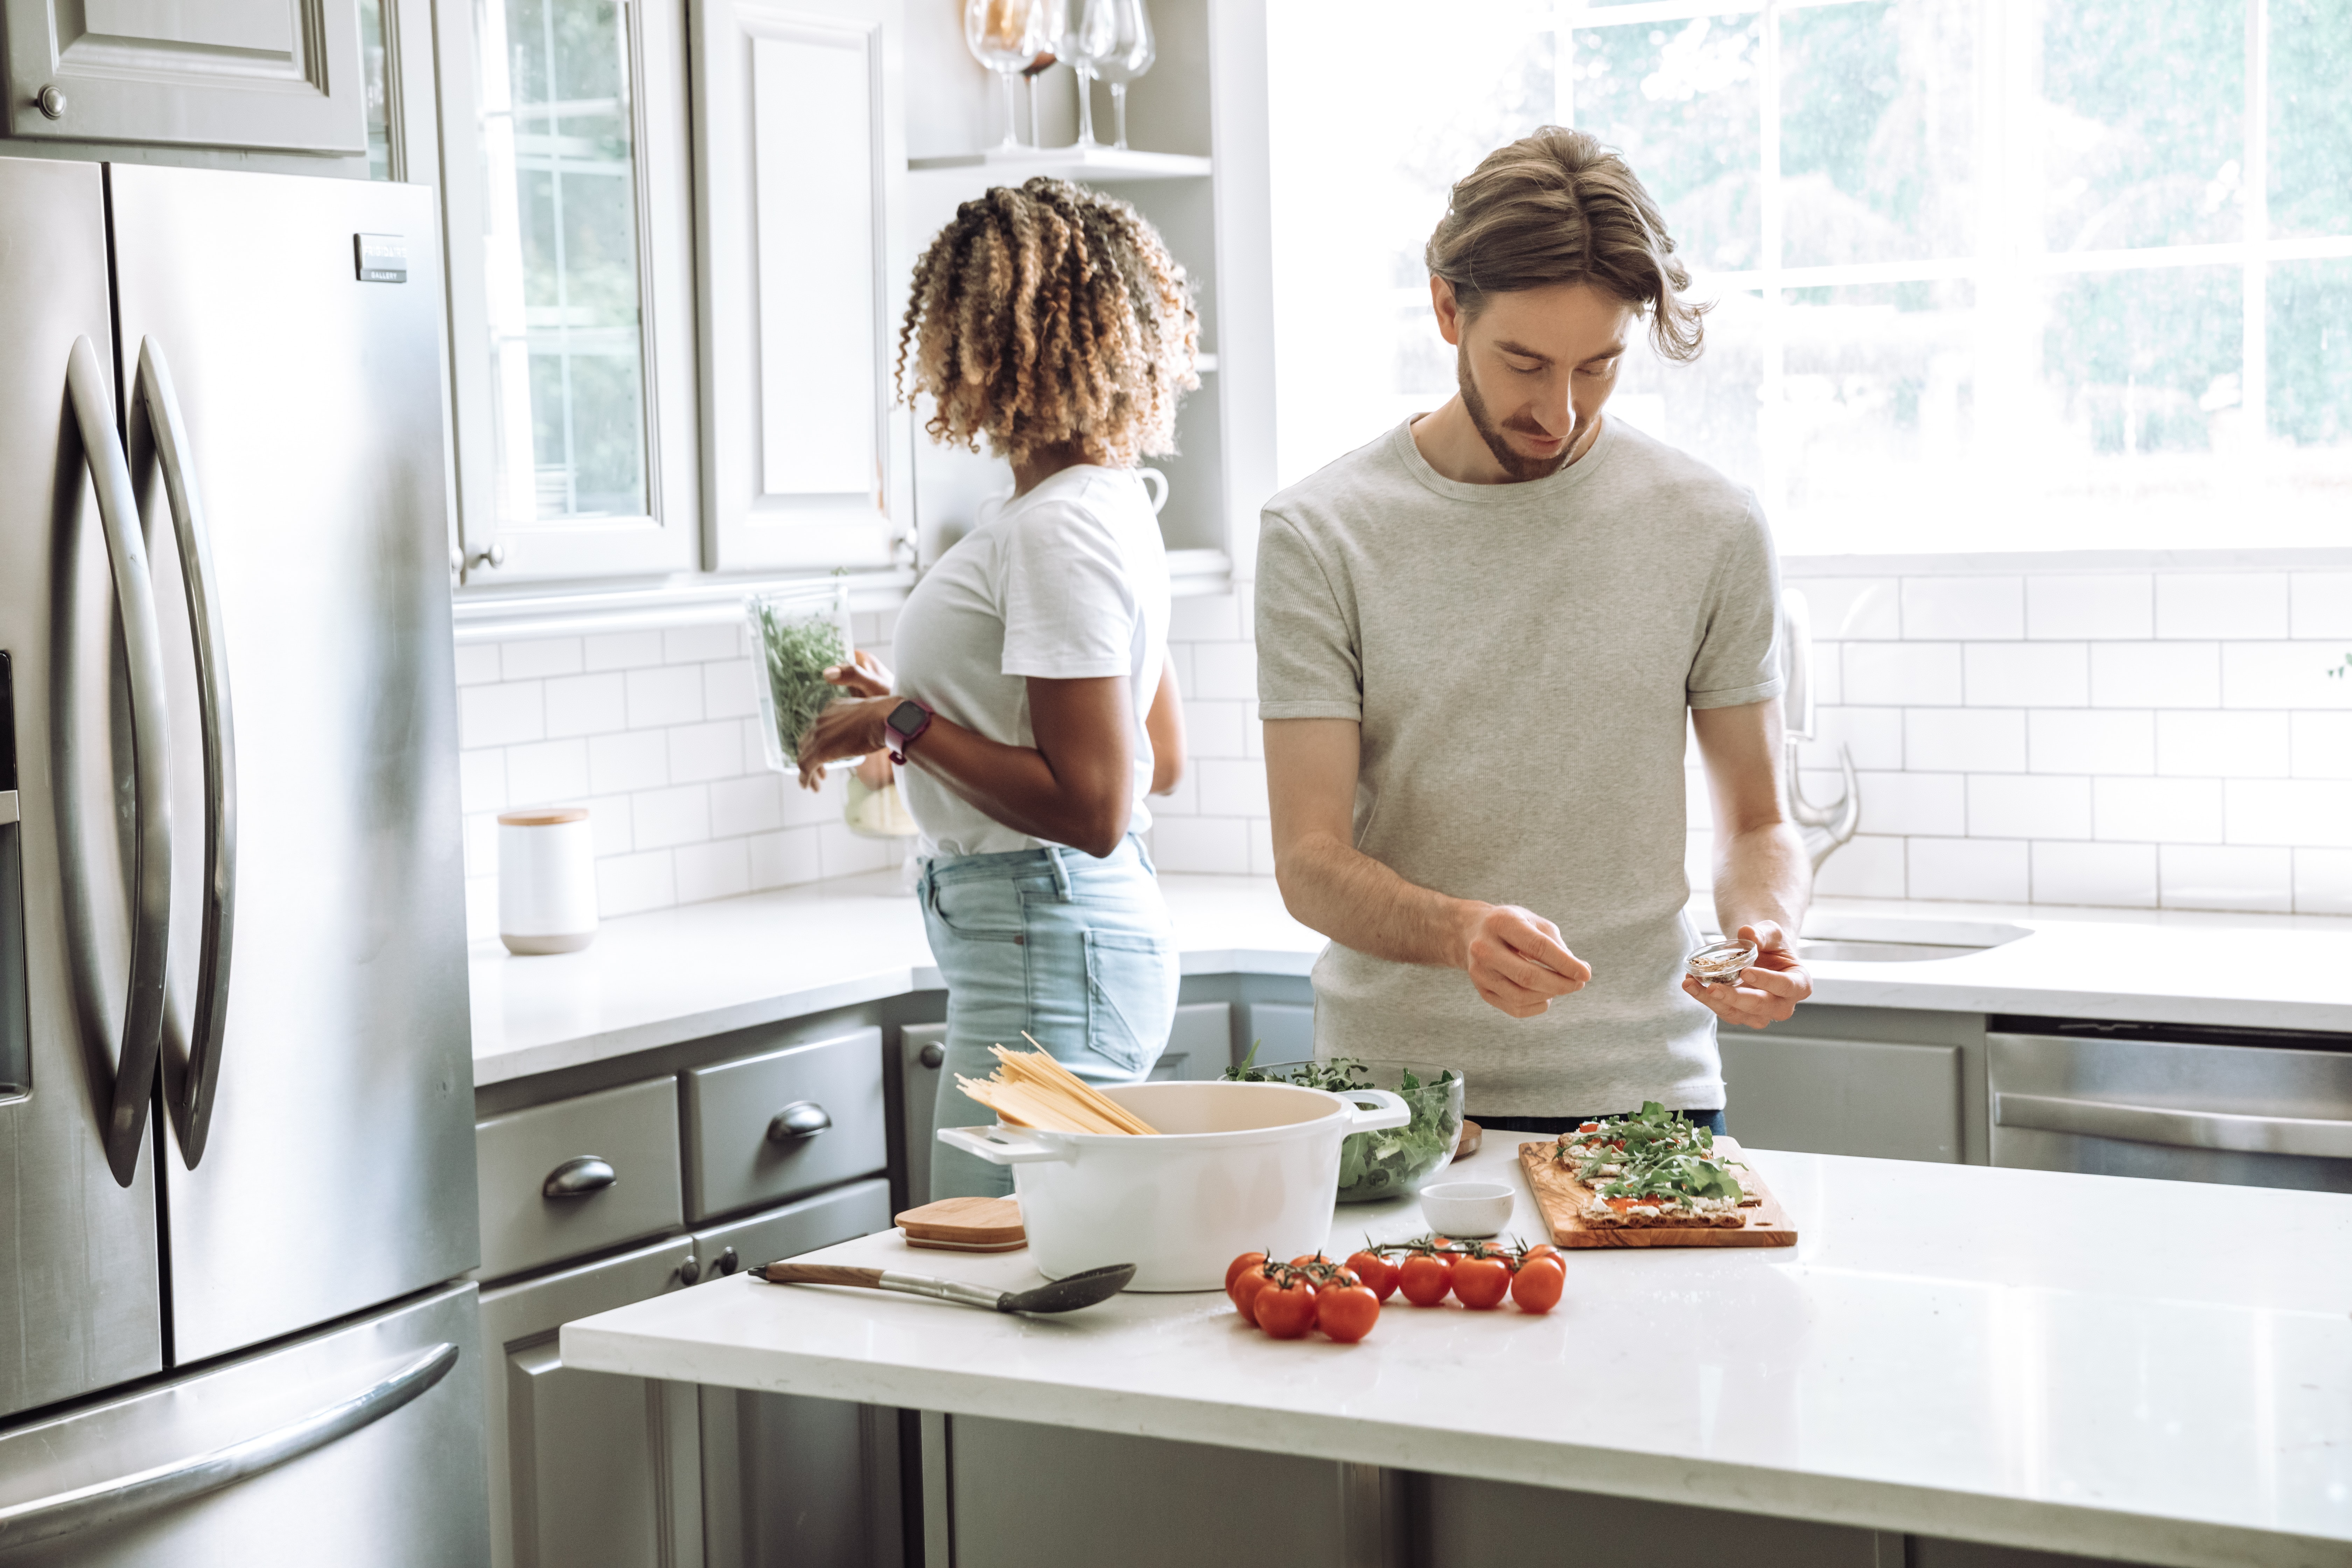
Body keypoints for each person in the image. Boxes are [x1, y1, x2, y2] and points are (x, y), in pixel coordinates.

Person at [1255, 128, 1811, 1138]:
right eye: (1524, 363)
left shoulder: (1711, 525)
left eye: (1598, 367)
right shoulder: (1320, 534)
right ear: (1444, 308)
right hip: (1399, 1107)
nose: (1559, 412)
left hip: (1648, 1101)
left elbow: (1760, 821)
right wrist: (1455, 930)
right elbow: (1308, 858)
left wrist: (1764, 927)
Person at [797, 177, 1197, 1197]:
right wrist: (923, 705)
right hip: (1057, 937)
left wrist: (907, 720)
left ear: (975, 337)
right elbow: (1162, 761)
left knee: (996, 1275)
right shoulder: (1106, 507)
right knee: (1025, 1277)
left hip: (1045, 937)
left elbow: (1098, 807)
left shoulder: (1059, 529)